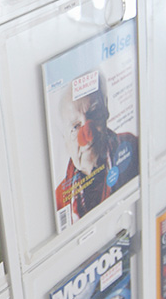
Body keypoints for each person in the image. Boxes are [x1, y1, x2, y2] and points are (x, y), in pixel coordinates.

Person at [53, 80, 139, 220]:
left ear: (106, 111)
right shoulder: (60, 198)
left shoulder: (132, 147)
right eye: (75, 127)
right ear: (65, 140)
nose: (88, 135)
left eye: (94, 114)